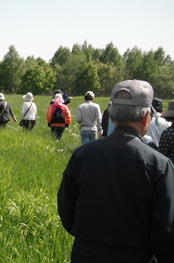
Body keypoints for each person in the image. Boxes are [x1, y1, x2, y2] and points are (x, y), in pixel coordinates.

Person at [58, 79, 174, 263]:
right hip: (138, 256)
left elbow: (66, 206)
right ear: (146, 118)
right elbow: (166, 228)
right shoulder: (159, 164)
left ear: (112, 117)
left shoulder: (83, 154)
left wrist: (87, 239)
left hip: (86, 254)